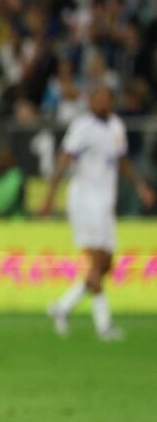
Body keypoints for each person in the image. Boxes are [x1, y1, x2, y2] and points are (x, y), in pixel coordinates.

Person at [41, 86, 154, 340]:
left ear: (112, 103)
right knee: (96, 262)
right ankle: (104, 325)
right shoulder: (83, 127)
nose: (102, 103)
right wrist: (49, 197)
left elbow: (122, 161)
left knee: (106, 264)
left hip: (105, 203)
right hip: (84, 202)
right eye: (97, 98)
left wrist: (139, 186)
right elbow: (64, 159)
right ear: (91, 101)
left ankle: (62, 307)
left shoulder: (116, 127)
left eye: (107, 99)